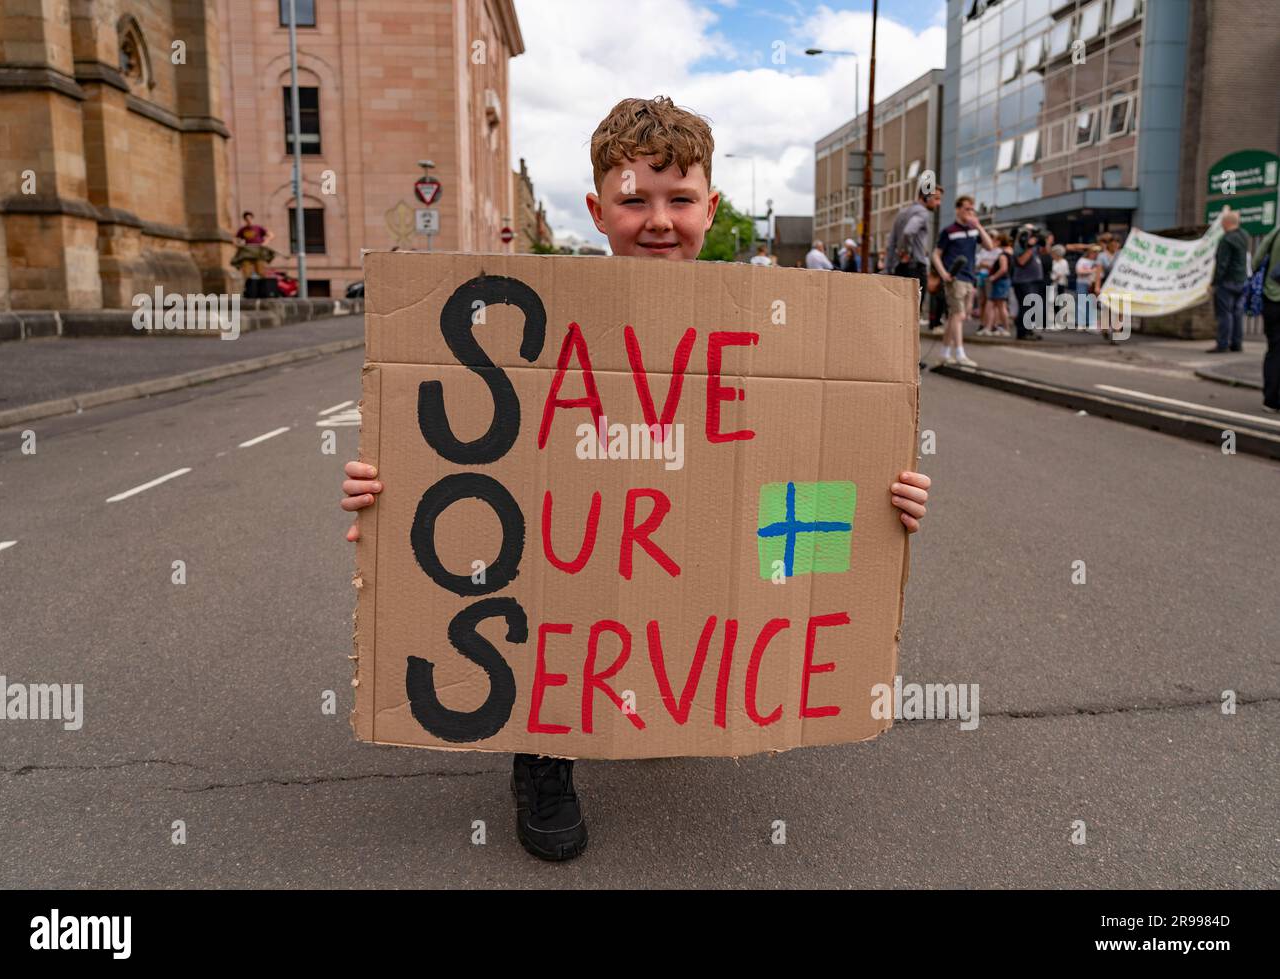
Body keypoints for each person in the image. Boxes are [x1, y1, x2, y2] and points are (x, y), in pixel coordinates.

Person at [339, 95, 933, 863]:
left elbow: (802, 464)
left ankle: (655, 701)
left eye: (680, 199)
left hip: (666, 540)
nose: (659, 219)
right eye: (634, 200)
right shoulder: (554, 317)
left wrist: (887, 504)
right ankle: (543, 757)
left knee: (676, 578)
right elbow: (452, 456)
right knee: (558, 595)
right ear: (596, 209)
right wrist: (387, 493)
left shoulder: (764, 327)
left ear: (710, 207)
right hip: (574, 542)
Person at [932, 194, 995, 366]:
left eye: (972, 209)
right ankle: (960, 353)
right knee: (959, 315)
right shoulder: (949, 231)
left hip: (969, 277)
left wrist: (979, 225)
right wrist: (943, 273)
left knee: (955, 316)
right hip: (955, 277)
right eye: (967, 209)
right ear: (958, 209)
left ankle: (945, 352)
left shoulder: (974, 230)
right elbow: (936, 255)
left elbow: (990, 246)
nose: (969, 212)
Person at [886, 186, 943, 331]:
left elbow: (891, 242)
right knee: (912, 315)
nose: (939, 203)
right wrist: (906, 252)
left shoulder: (902, 213)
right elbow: (908, 232)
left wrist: (890, 267)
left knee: (897, 314)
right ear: (925, 198)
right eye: (936, 199)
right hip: (914, 268)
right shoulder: (922, 213)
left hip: (899, 268)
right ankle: (906, 352)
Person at [1208, 209, 1251, 353]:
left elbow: (1222, 264)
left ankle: (1222, 344)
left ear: (1226, 223)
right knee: (1237, 313)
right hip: (1241, 280)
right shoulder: (1244, 236)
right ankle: (1237, 343)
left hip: (1227, 282)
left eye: (1222, 223)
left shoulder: (1226, 240)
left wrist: (1214, 283)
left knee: (1225, 314)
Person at [1252, 221, 1280, 412]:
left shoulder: (1276, 232)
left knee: (1274, 350)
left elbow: (1256, 261)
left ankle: (1271, 400)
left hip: (1272, 298)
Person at [1011, 224, 1047, 341]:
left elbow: (1046, 251)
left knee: (1032, 306)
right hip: (1024, 281)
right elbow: (1021, 261)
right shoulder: (1019, 245)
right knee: (1026, 306)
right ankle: (1022, 332)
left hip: (1034, 280)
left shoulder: (1033, 245)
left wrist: (1041, 242)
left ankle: (1028, 330)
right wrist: (1030, 246)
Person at [232, 211, 275, 298]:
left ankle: (262, 292)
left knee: (261, 271)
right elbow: (235, 240)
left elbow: (271, 235)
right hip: (247, 253)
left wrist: (265, 243)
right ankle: (249, 292)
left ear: (252, 218)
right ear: (245, 220)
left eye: (250, 218)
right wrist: (239, 245)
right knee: (247, 272)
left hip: (258, 253)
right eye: (247, 219)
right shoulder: (242, 230)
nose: (249, 220)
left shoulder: (258, 228)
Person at [977, 231, 1012, 337]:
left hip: (1000, 281)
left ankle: (1003, 328)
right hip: (1001, 281)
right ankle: (992, 327)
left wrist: (993, 277)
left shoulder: (1003, 254)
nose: (993, 242)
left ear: (1000, 241)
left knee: (998, 305)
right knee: (996, 304)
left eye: (996, 240)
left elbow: (1003, 269)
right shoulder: (1007, 252)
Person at [1074, 244, 1100, 330]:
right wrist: (1091, 271)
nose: (1095, 254)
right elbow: (1079, 271)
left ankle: (1090, 323)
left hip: (1092, 285)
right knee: (1082, 303)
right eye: (1094, 252)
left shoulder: (1097, 262)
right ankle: (1080, 323)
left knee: (1091, 304)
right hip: (1082, 283)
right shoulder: (1082, 260)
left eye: (1097, 252)